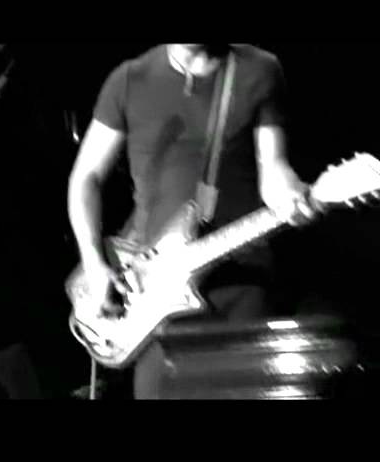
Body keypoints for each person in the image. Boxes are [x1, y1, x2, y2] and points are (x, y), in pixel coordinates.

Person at [67, 43, 318, 399]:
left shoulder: (259, 69)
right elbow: (85, 178)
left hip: (241, 281)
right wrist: (94, 264)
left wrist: (293, 195)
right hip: (154, 294)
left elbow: (273, 167)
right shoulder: (129, 80)